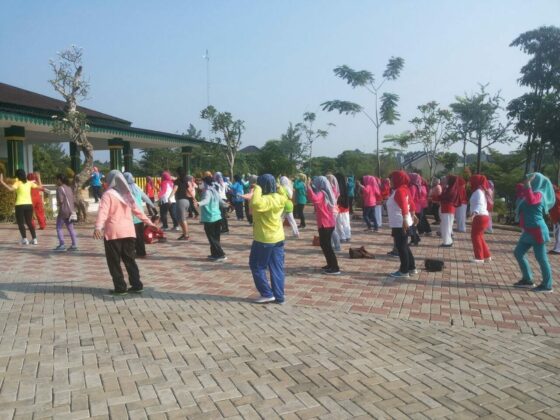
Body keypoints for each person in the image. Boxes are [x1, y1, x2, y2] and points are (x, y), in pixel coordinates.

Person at [94, 170, 156, 295]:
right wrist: (150, 223)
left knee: (114, 261)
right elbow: (138, 211)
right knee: (130, 260)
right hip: (129, 232)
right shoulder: (127, 194)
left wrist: (98, 227)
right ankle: (137, 285)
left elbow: (103, 212)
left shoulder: (108, 195)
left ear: (110, 180)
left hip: (113, 233)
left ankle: (120, 287)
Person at [243, 174, 287, 304]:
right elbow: (285, 194)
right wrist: (278, 187)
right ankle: (279, 296)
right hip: (278, 237)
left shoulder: (264, 200)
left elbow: (255, 203)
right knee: (277, 267)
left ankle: (267, 293)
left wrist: (257, 188)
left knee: (257, 266)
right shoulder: (280, 198)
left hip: (264, 238)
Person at [513, 173, 555, 292]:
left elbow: (531, 200)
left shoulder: (539, 194)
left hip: (537, 230)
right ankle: (527, 279)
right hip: (529, 231)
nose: (527, 180)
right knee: (518, 253)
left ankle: (547, 285)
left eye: (531, 179)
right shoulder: (531, 193)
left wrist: (528, 185)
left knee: (541, 258)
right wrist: (525, 187)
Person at [307, 176, 340, 275]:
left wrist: (308, 186)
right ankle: (330, 264)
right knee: (324, 244)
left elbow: (314, 198)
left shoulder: (322, 193)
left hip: (326, 224)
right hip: (326, 223)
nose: (314, 183)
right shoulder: (326, 192)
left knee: (327, 246)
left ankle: (335, 267)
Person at [387, 170, 417, 278]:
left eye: (391, 179)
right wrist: (413, 215)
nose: (390, 181)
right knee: (404, 246)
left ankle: (404, 271)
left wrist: (405, 218)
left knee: (401, 247)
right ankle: (411, 267)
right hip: (401, 222)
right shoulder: (404, 189)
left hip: (400, 223)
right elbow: (411, 204)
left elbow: (405, 205)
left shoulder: (400, 191)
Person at [0, 169, 42, 245]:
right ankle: (34, 239)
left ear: (18, 176)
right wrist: (38, 178)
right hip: (29, 205)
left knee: (21, 223)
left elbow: (10, 189)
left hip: (20, 205)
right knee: (29, 222)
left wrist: (2, 182)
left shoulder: (18, 183)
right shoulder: (29, 183)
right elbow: (40, 187)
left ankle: (25, 239)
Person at [124, 172, 157, 257]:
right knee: (140, 236)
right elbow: (145, 197)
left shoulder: (124, 188)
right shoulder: (136, 187)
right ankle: (141, 252)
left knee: (131, 236)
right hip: (140, 215)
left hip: (131, 215)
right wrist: (153, 206)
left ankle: (131, 252)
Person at [198, 172, 226, 261]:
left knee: (212, 238)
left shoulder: (207, 191)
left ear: (205, 182)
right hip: (217, 217)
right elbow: (221, 201)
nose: (200, 184)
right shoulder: (214, 190)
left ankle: (221, 254)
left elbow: (206, 201)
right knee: (216, 237)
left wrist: (198, 203)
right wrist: (227, 205)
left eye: (201, 183)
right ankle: (214, 254)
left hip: (210, 218)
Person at [469, 174, 491, 263]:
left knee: (475, 236)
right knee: (480, 236)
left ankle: (479, 257)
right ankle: (486, 255)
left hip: (479, 216)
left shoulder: (478, 192)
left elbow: (479, 204)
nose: (470, 183)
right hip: (483, 216)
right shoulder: (481, 191)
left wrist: (474, 213)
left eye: (471, 181)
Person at [53, 173, 78, 251]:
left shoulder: (60, 188)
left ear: (60, 180)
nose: (56, 181)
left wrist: (57, 203)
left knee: (59, 227)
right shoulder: (69, 188)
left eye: (56, 179)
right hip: (71, 211)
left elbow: (60, 201)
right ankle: (74, 245)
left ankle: (62, 244)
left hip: (63, 211)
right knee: (71, 228)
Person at [439, 175, 458, 247]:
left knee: (446, 226)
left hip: (448, 209)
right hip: (447, 209)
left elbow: (443, 197)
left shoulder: (451, 189)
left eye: (447, 179)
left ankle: (447, 242)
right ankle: (448, 241)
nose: (445, 180)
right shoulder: (450, 188)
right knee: (447, 226)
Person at [172, 167, 191, 240]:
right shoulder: (185, 181)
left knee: (182, 219)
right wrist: (194, 199)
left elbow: (175, 189)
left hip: (181, 201)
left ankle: (186, 235)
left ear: (178, 173)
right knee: (179, 218)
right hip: (186, 201)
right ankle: (184, 233)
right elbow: (188, 190)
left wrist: (169, 197)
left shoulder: (177, 181)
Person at [335, 173, 351, 242]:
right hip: (346, 207)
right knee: (346, 222)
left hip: (340, 207)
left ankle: (342, 237)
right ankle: (348, 235)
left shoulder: (337, 187)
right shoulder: (344, 186)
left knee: (339, 223)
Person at [549, 185, 560, 255]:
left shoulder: (556, 195)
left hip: (558, 216)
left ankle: (558, 249)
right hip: (556, 216)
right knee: (556, 234)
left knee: (558, 234)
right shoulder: (556, 194)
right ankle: (556, 248)